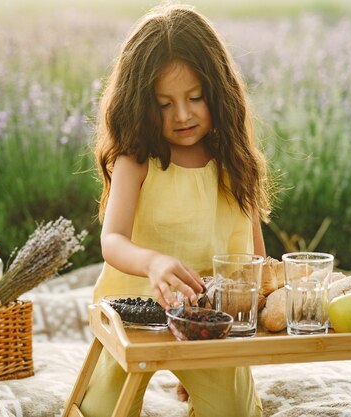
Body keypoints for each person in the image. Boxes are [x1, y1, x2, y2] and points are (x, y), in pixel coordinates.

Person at [79, 3, 272, 416]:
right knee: (99, 411)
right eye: (164, 103)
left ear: (217, 92)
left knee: (234, 412)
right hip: (132, 312)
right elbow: (111, 241)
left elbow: (257, 259)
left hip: (212, 324)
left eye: (195, 98)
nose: (182, 115)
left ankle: (197, 383)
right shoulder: (136, 158)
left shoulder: (235, 161)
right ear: (139, 102)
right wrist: (152, 263)